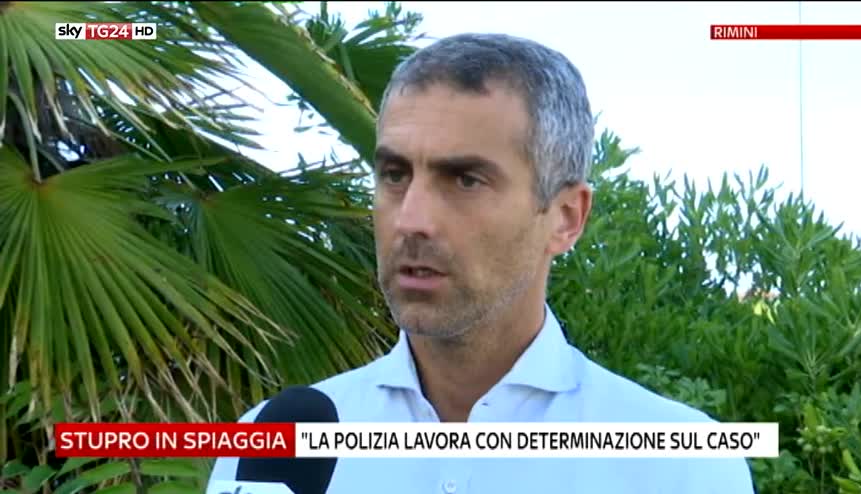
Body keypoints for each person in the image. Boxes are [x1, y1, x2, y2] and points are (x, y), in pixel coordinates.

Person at [210, 32, 755, 493]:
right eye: (395, 175)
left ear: (565, 217)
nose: (411, 220)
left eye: (465, 180)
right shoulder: (269, 453)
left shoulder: (679, 469)